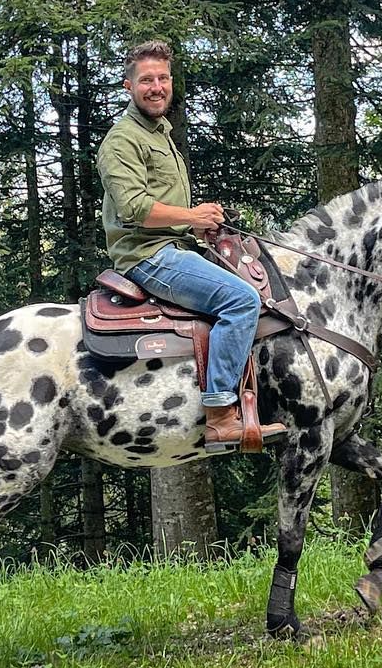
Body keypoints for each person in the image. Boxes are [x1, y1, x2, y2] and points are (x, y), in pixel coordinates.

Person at [95, 39, 286, 452]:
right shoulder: (122, 140)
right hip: (147, 256)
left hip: (175, 247)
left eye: (163, 78)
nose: (157, 87)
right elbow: (134, 209)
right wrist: (192, 216)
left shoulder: (161, 134)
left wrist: (198, 226)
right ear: (128, 86)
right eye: (146, 80)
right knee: (242, 300)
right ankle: (220, 416)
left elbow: (164, 206)